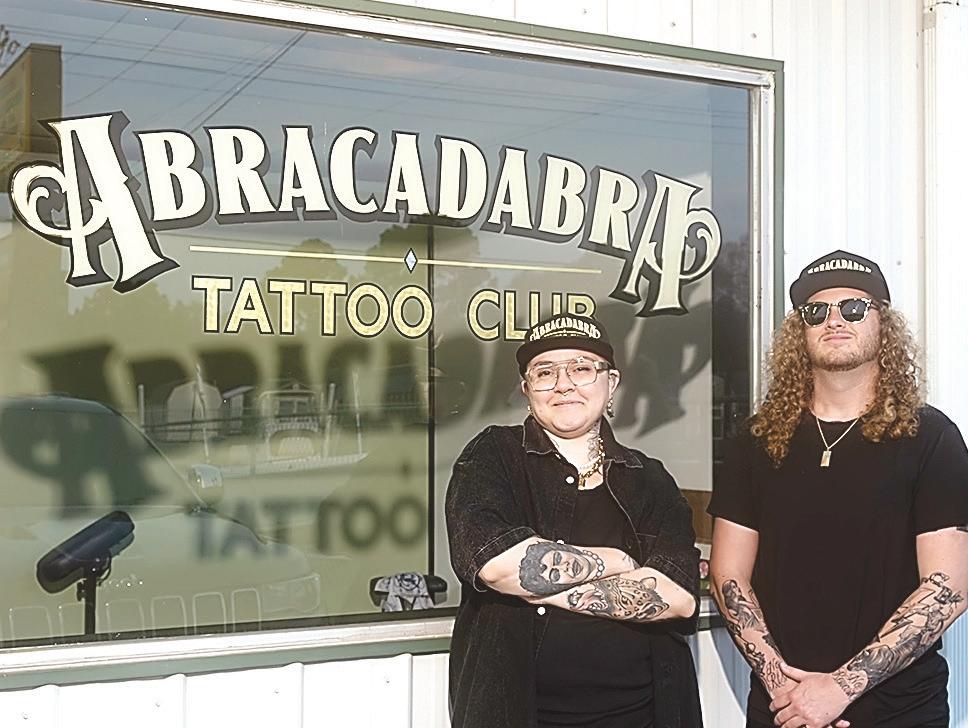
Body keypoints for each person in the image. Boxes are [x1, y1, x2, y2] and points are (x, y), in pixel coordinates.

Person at [708, 250, 968, 728]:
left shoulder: (931, 437)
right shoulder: (757, 440)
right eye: (816, 311)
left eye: (853, 307)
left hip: (900, 712)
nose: (834, 320)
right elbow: (728, 576)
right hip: (782, 708)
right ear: (800, 331)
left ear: (883, 323)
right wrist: (786, 690)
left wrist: (839, 688)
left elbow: (948, 585)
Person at [446, 313, 703, 728]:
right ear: (527, 390)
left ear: (611, 383)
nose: (563, 384)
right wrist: (618, 561)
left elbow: (678, 597)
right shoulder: (492, 456)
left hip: (642, 714)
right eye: (545, 372)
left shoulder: (650, 479)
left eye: (582, 368)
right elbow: (493, 564)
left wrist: (535, 587)